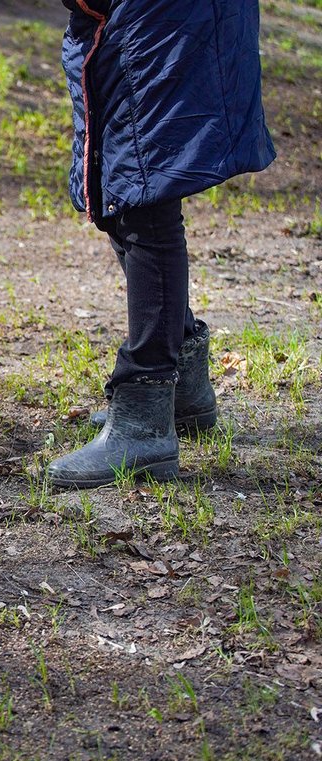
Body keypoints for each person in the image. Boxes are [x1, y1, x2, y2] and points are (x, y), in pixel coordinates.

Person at [47, 0, 276, 488]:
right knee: (116, 185)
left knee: (141, 197)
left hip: (165, 16)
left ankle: (145, 419)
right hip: (145, 16)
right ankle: (181, 392)